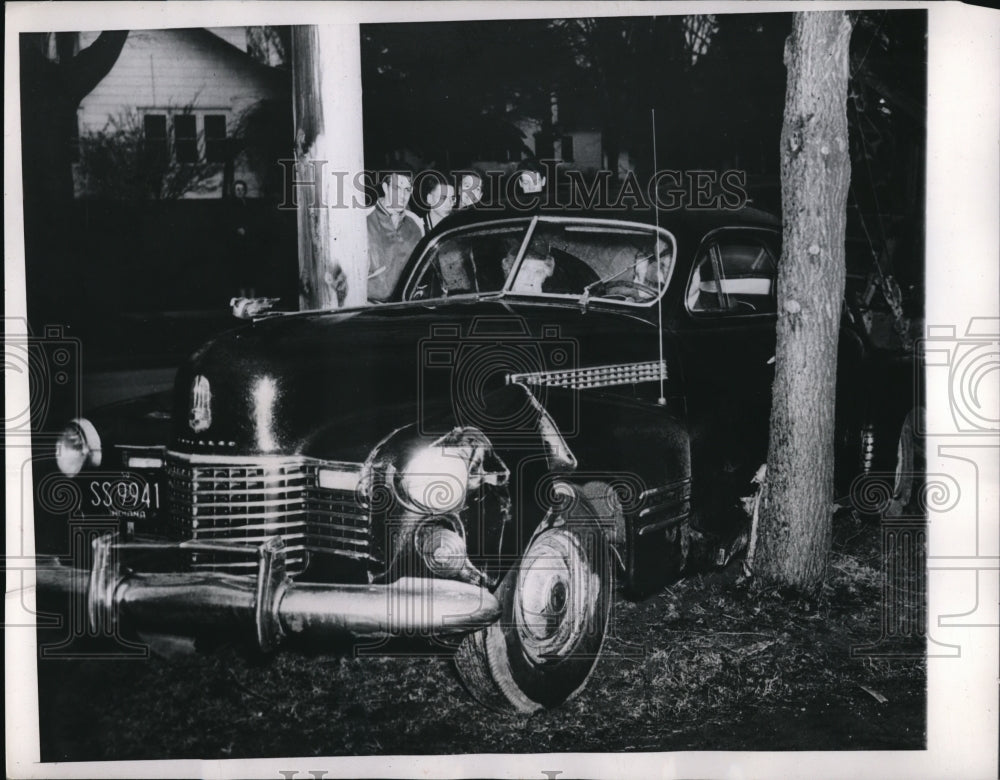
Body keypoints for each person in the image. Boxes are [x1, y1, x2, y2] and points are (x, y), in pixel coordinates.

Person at [367, 167, 424, 303]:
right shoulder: (364, 220)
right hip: (372, 308)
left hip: (407, 308)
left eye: (407, 190)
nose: (402, 196)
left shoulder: (416, 223)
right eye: (396, 188)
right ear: (385, 188)